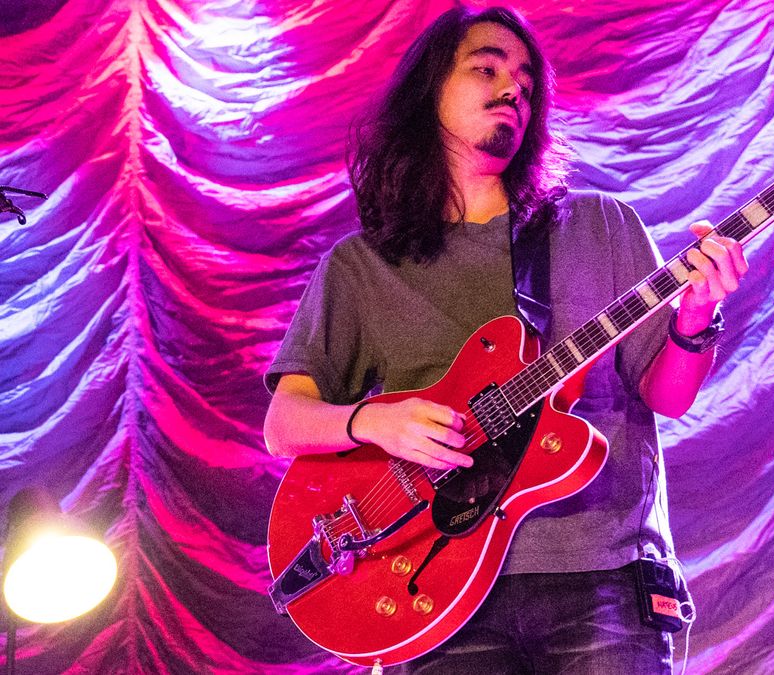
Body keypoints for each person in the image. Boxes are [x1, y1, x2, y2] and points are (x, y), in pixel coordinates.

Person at [263, 6, 747, 673]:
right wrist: (377, 420)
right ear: (429, 90)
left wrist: (696, 317)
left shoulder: (600, 226)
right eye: (485, 68)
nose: (512, 87)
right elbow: (285, 423)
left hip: (602, 573)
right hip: (436, 589)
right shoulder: (361, 267)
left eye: (525, 80)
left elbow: (666, 396)